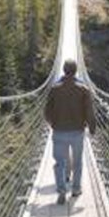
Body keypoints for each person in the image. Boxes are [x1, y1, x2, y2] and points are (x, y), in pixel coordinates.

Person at [44, 59, 96, 205]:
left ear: (63, 70)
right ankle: (76, 189)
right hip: (77, 132)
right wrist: (92, 128)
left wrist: (53, 124)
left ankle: (61, 191)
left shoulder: (54, 89)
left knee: (59, 163)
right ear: (76, 70)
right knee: (78, 162)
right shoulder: (84, 89)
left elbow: (46, 112)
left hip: (59, 131)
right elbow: (89, 112)